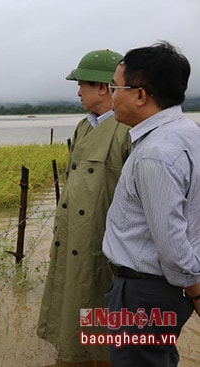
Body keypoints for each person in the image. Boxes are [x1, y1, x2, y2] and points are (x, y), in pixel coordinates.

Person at [102, 41, 199, 366]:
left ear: (140, 94)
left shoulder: (156, 153)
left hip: (144, 294)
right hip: (159, 291)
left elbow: (171, 241)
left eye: (115, 87)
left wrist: (196, 291)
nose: (110, 95)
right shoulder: (188, 133)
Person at [37, 49, 131, 366]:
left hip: (103, 248)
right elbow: (70, 188)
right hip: (71, 241)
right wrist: (56, 238)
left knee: (103, 322)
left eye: (82, 84)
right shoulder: (83, 126)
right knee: (71, 312)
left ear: (103, 87)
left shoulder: (127, 131)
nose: (78, 92)